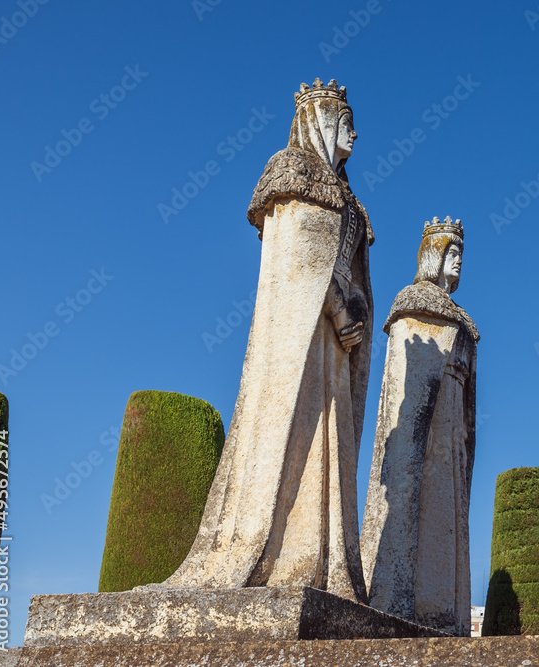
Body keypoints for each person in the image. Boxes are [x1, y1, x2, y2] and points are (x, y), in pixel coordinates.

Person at [162, 79, 373, 602]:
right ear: (318, 118)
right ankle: (279, 555)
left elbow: (353, 268)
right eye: (343, 117)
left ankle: (322, 564)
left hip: (335, 345)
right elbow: (301, 258)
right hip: (298, 341)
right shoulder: (292, 170)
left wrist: (357, 316)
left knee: (332, 445)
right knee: (288, 434)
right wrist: (338, 308)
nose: (353, 129)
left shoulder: (351, 200)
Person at [361, 217, 478, 636]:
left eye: (462, 253)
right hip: (425, 436)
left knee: (447, 518)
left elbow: (468, 403)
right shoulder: (412, 302)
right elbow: (404, 393)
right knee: (418, 509)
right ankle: (408, 604)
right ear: (434, 254)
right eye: (453, 252)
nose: (459, 261)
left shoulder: (463, 319)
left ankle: (444, 613)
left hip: (451, 439)